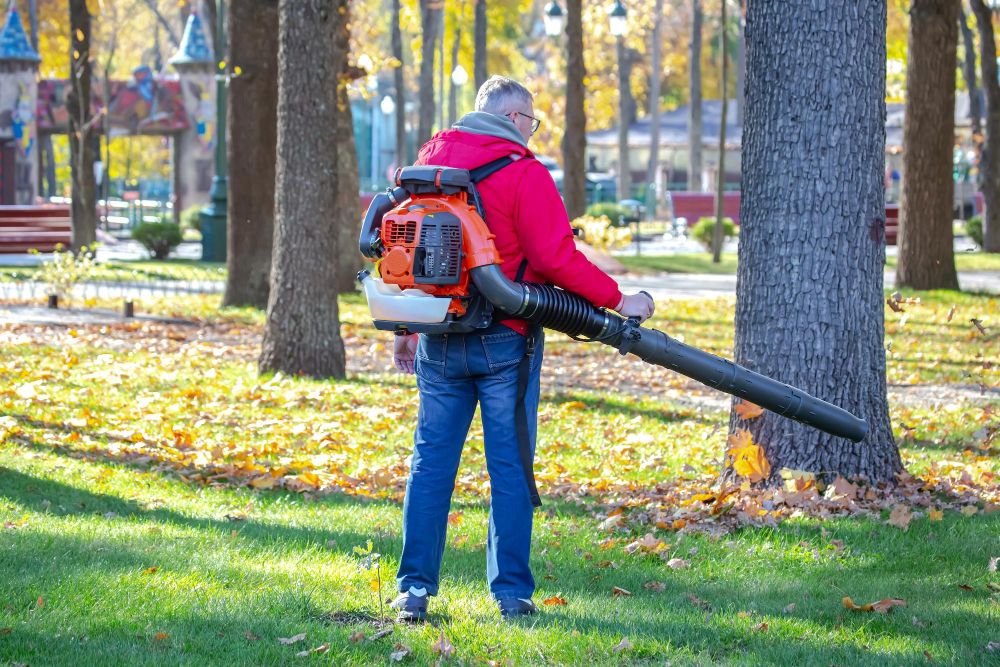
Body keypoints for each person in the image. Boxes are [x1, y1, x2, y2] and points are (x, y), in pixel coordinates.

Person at [390, 75, 655, 621]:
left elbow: (409, 250)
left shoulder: (428, 162)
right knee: (509, 467)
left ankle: (413, 590)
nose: (531, 134)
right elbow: (556, 258)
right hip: (505, 339)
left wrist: (406, 329)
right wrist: (618, 299)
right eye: (530, 123)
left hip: (438, 336)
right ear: (513, 120)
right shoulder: (522, 172)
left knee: (430, 465)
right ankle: (511, 595)